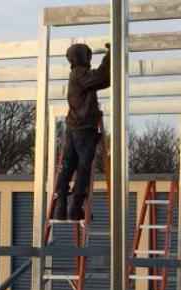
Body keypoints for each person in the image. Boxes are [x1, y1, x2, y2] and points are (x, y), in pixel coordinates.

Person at [54, 42, 112, 221]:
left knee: (68, 167)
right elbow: (102, 77)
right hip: (84, 129)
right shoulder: (80, 73)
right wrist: (111, 55)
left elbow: (103, 81)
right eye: (88, 56)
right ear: (82, 57)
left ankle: (61, 207)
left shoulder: (75, 75)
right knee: (83, 168)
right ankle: (76, 207)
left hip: (73, 128)